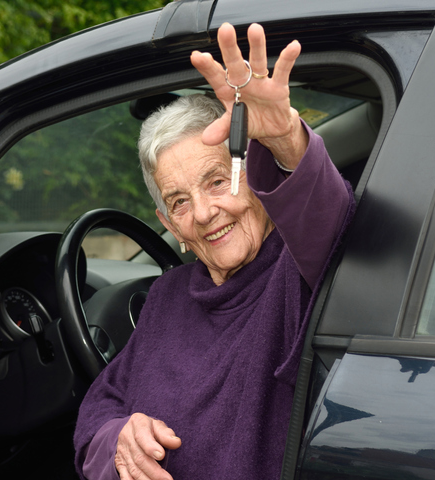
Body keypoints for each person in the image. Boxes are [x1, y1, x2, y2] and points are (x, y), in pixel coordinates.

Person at [74, 22, 354, 480]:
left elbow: (331, 221)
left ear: (257, 180)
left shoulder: (300, 269)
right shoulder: (168, 296)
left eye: (218, 181)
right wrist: (119, 438)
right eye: (179, 202)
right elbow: (103, 401)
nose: (204, 213)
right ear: (169, 226)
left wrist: (283, 138)